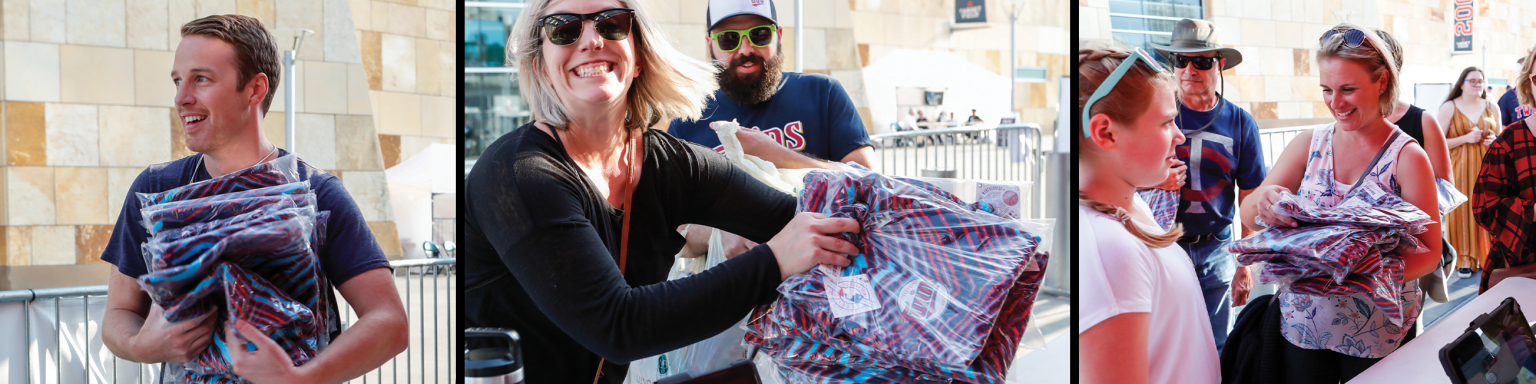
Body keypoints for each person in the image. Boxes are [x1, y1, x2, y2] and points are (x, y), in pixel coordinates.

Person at [462, 0, 861, 382]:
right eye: (563, 29)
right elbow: (619, 327)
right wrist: (775, 260)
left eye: (611, 23)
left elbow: (802, 217)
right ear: (541, 67)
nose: (591, 40)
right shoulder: (518, 174)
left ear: (638, 55)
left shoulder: (669, 163)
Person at [99, 15, 408, 383]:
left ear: (255, 89)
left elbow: (389, 322)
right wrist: (140, 346)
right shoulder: (155, 189)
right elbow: (118, 313)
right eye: (178, 81)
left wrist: (302, 379)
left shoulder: (316, 191)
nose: (182, 98)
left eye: (201, 78)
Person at [1240, 24, 1441, 382]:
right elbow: (1250, 215)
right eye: (1327, 90)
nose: (1335, 103)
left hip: (1377, 338)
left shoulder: (1408, 157)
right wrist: (1264, 202)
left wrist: (1359, 271)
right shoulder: (1308, 143)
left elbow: (1428, 252)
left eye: (1348, 89)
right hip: (1302, 329)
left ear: (1382, 82)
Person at [1078, 41, 1220, 384]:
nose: (1180, 136)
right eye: (1166, 122)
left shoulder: (1131, 205)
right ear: (1105, 132)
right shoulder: (1111, 250)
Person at [1149, 18, 1264, 352]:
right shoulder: (1154, 114)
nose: (1189, 69)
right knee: (1168, 344)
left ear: (1220, 63)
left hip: (1218, 249)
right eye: (1180, 60)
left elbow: (1250, 195)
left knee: (1217, 345)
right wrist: (1158, 179)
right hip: (1165, 246)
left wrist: (1244, 263)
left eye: (1200, 61)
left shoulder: (1241, 122)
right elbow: (1123, 175)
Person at [667, 0, 873, 169]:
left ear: (778, 36)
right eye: (729, 39)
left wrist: (779, 156)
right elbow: (671, 212)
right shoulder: (688, 120)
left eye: (759, 35)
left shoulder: (823, 94)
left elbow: (869, 184)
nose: (745, 50)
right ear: (710, 44)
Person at [1474, 45, 1536, 293]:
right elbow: (1484, 206)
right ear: (1529, 85)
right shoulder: (1510, 141)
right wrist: (1533, 212)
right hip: (1524, 269)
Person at [1437, 66, 1502, 279]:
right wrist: (1465, 139)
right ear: (1462, 83)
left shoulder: (1492, 106)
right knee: (1462, 213)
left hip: (1488, 167)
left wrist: (1495, 141)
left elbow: (1501, 139)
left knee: (1489, 208)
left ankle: (1488, 256)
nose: (1477, 85)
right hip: (1459, 168)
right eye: (1472, 80)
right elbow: (1437, 143)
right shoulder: (1450, 107)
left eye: (1480, 81)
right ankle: (1463, 258)